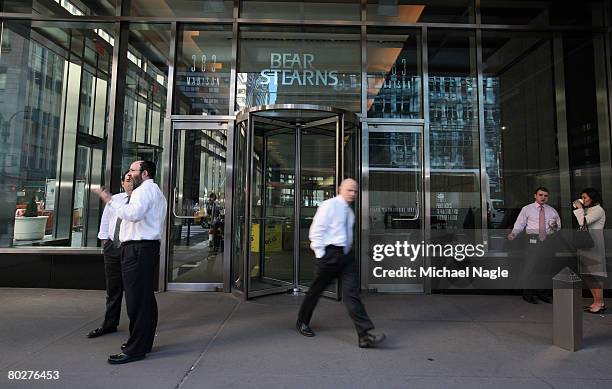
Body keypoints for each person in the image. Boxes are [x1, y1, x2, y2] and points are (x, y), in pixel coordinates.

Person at [296, 178, 385, 348]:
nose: (353, 194)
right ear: (340, 189)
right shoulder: (329, 205)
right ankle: (302, 322)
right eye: (349, 190)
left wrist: (347, 253)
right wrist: (321, 255)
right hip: (329, 255)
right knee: (316, 291)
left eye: (355, 191)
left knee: (352, 294)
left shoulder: (349, 213)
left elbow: (347, 236)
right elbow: (316, 231)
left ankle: (364, 335)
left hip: (345, 257)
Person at [95, 160, 167, 364]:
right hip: (145, 248)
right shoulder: (155, 191)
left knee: (136, 301)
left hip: (137, 249)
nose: (130, 173)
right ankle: (143, 344)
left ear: (144, 173)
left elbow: (133, 214)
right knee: (145, 300)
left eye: (133, 170)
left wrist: (110, 200)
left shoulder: (143, 191)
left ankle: (135, 349)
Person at [87, 170, 132, 339]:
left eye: (132, 179)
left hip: (131, 248)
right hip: (112, 247)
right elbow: (105, 221)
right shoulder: (115, 200)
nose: (129, 182)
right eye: (126, 180)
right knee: (113, 289)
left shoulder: (141, 199)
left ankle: (138, 326)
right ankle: (109, 324)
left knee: (135, 291)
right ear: (122, 183)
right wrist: (105, 241)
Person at [508, 187, 561, 304]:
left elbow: (558, 226)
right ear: (535, 195)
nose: (543, 197)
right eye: (541, 195)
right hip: (533, 241)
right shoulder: (527, 209)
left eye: (545, 196)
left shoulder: (552, 211)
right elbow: (520, 223)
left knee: (545, 268)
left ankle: (542, 293)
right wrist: (513, 234)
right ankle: (528, 294)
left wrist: (555, 226)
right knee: (531, 267)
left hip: (548, 241)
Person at [572, 188, 606, 314]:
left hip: (594, 246)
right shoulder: (588, 209)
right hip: (586, 245)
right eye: (582, 197)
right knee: (588, 275)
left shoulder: (598, 209)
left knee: (595, 274)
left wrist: (579, 207)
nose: (583, 200)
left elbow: (583, 222)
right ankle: (596, 302)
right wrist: (580, 207)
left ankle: (600, 303)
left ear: (592, 198)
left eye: (585, 197)